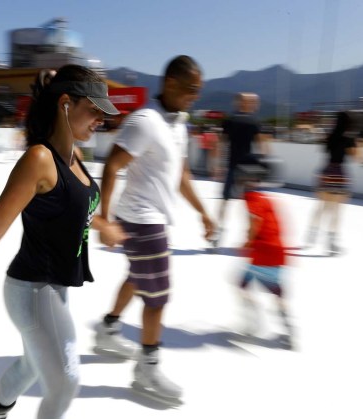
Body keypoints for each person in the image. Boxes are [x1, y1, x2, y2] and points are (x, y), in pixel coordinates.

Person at [0, 64, 124, 419]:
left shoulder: (74, 156)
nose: (100, 121)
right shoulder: (39, 159)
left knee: (32, 365)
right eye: (93, 110)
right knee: (65, 381)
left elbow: (73, 209)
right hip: (32, 289)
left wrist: (103, 225)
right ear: (65, 103)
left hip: (56, 289)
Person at [93, 55, 214, 405]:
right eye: (191, 89)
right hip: (143, 220)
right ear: (171, 83)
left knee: (138, 277)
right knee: (157, 297)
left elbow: (182, 176)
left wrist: (203, 212)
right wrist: (104, 220)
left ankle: (108, 328)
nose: (195, 96)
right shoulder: (145, 121)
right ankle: (147, 367)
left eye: (198, 91)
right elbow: (112, 166)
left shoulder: (179, 125)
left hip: (152, 218)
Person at [231, 160, 293, 349]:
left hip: (262, 252)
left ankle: (252, 324)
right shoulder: (266, 198)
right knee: (277, 292)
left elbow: (255, 220)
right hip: (277, 250)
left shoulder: (251, 198)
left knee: (242, 285)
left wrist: (247, 242)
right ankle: (289, 329)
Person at [212, 93, 270, 247]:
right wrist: (263, 167)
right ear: (247, 104)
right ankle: (251, 239)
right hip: (250, 168)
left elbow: (221, 143)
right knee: (251, 205)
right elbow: (262, 147)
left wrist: (217, 165)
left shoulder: (229, 121)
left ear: (237, 103)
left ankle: (217, 235)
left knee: (225, 201)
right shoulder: (255, 122)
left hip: (233, 166)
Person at [304, 111, 363, 255]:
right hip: (339, 174)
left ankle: (311, 234)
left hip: (326, 172)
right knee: (336, 209)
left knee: (322, 206)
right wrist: (362, 145)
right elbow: (357, 158)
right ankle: (331, 242)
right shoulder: (349, 138)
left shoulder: (330, 136)